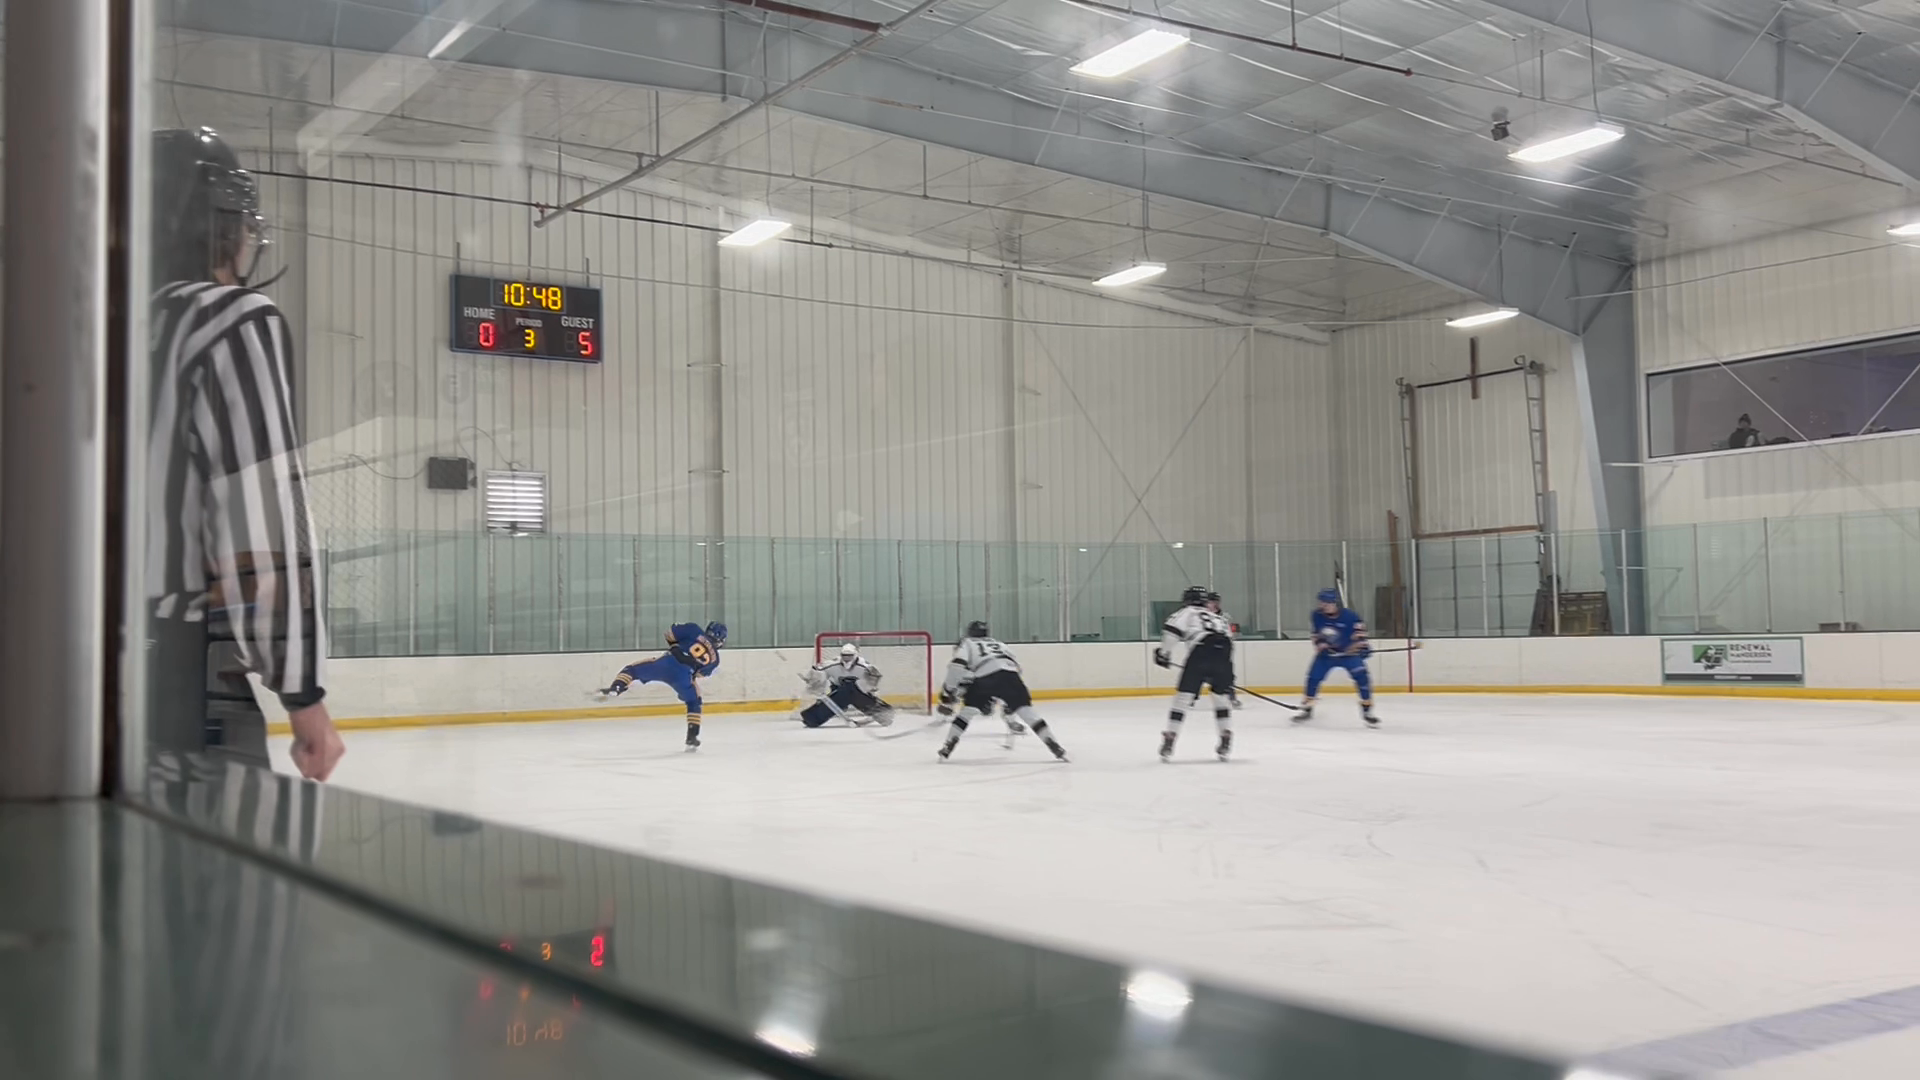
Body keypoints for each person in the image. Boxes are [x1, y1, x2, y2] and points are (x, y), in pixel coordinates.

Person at [146, 127, 344, 780]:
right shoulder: (230, 319)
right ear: (219, 224)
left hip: (51, 677)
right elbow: (257, 520)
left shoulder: (85, 331)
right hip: (177, 680)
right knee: (205, 875)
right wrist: (302, 692)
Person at [938, 621, 1067, 762]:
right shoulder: (999, 643)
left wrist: (948, 692)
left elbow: (957, 666)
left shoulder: (968, 643)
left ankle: (948, 746)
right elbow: (1016, 666)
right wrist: (1008, 699)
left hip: (984, 677)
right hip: (1011, 676)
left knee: (967, 712)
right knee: (1027, 712)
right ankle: (1053, 744)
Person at [595, 621, 727, 750]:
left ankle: (617, 688)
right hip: (684, 675)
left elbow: (669, 633)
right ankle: (692, 736)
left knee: (633, 670)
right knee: (694, 700)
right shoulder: (715, 659)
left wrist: (675, 646)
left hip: (667, 662)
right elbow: (700, 675)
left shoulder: (694, 629)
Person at [1154, 585, 1238, 761]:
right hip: (1224, 652)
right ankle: (1225, 735)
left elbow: (1171, 630)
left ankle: (1170, 737)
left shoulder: (1188, 612)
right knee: (1220, 697)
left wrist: (1164, 653)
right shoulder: (1217, 617)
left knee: (1183, 698)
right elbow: (1228, 640)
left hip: (1202, 650)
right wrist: (1221, 669)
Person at [1298, 588, 1378, 726]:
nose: (1322, 606)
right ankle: (1308, 708)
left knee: (1362, 677)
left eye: (1326, 603)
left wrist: (1363, 647)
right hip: (1327, 656)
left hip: (1349, 655)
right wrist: (1322, 646)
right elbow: (1317, 634)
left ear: (1335, 603)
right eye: (1321, 603)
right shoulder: (1317, 615)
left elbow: (1360, 633)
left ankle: (1367, 710)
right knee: (1313, 678)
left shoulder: (1350, 616)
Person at [794, 643, 896, 728]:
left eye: (850, 655)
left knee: (851, 689)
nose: (847, 658)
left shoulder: (866, 667)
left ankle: (882, 712)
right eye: (844, 655)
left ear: (855, 655)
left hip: (858, 694)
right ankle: (812, 718)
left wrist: (875, 700)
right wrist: (814, 681)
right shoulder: (832, 664)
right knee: (846, 690)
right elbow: (818, 672)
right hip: (839, 694)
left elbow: (873, 685)